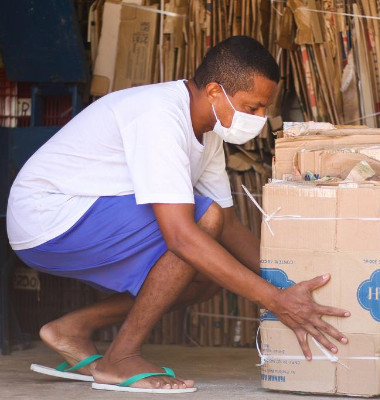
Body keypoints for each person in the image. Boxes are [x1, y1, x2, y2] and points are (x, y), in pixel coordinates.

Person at [6, 36, 350, 394]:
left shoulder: (209, 132)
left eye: (265, 109)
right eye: (253, 107)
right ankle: (120, 358)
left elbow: (229, 226)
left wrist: (288, 283)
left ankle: (72, 329)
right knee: (202, 224)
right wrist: (277, 301)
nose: (261, 119)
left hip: (79, 219)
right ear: (215, 92)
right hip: (47, 217)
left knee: (209, 273)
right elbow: (183, 236)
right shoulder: (160, 116)